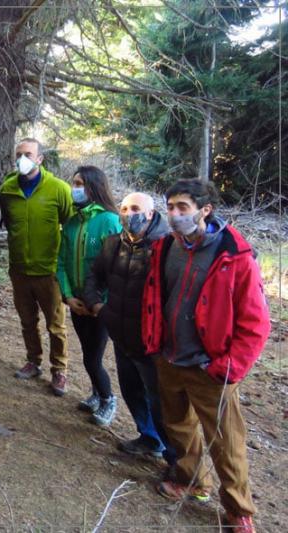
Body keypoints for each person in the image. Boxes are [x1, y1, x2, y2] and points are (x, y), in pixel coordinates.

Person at [142, 179, 269, 531]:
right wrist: (154, 342)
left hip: (211, 367)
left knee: (227, 444)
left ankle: (238, 510)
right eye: (170, 207)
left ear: (205, 210)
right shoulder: (167, 246)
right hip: (169, 357)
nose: (174, 214)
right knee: (179, 427)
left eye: (182, 207)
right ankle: (191, 480)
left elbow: (256, 323)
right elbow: (156, 296)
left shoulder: (235, 254)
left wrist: (229, 367)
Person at [83, 192, 173, 460]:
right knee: (131, 391)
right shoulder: (113, 244)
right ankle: (149, 438)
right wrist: (95, 304)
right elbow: (94, 275)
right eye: (123, 208)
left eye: (135, 208)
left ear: (149, 213)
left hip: (152, 341)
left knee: (160, 401)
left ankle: (175, 460)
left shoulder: (166, 247)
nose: (127, 213)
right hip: (121, 334)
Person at [0, 138, 72, 395]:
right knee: (27, 321)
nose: (23, 158)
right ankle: (33, 361)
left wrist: (65, 268)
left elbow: (70, 223)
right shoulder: (7, 190)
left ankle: (59, 370)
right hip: (19, 269)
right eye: (19, 154)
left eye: (28, 154)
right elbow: (7, 222)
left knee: (56, 325)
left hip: (49, 270)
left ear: (40, 158)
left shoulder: (58, 189)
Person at [56, 166, 122, 425]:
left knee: (93, 358)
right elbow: (61, 262)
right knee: (86, 352)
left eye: (80, 183)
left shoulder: (109, 220)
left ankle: (108, 399)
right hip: (76, 303)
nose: (75, 189)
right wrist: (68, 296)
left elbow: (115, 267)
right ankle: (96, 393)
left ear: (93, 187)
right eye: (74, 183)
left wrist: (100, 303)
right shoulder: (72, 222)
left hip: (99, 306)